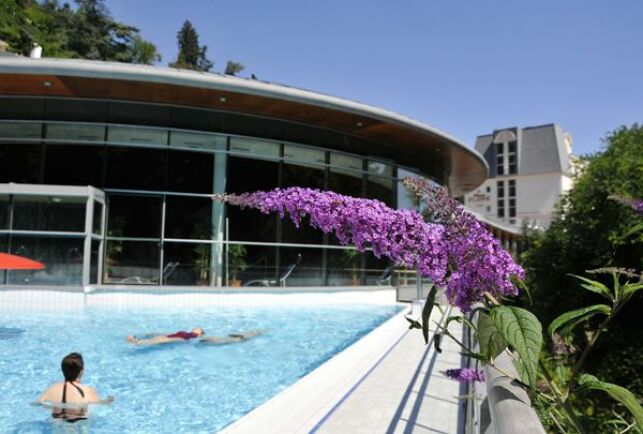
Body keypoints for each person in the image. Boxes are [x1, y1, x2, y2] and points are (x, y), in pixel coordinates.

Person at [36, 353, 114, 422]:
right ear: (81, 371)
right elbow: (100, 404)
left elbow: (38, 403)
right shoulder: (88, 391)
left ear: (63, 370)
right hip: (80, 423)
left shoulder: (51, 390)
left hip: (57, 422)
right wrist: (109, 400)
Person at [126, 327, 264, 346]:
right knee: (158, 336)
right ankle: (139, 339)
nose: (195, 327)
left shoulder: (194, 335)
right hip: (176, 336)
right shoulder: (187, 332)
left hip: (184, 339)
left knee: (160, 340)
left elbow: (211, 338)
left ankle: (139, 342)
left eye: (198, 328)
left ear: (200, 332)